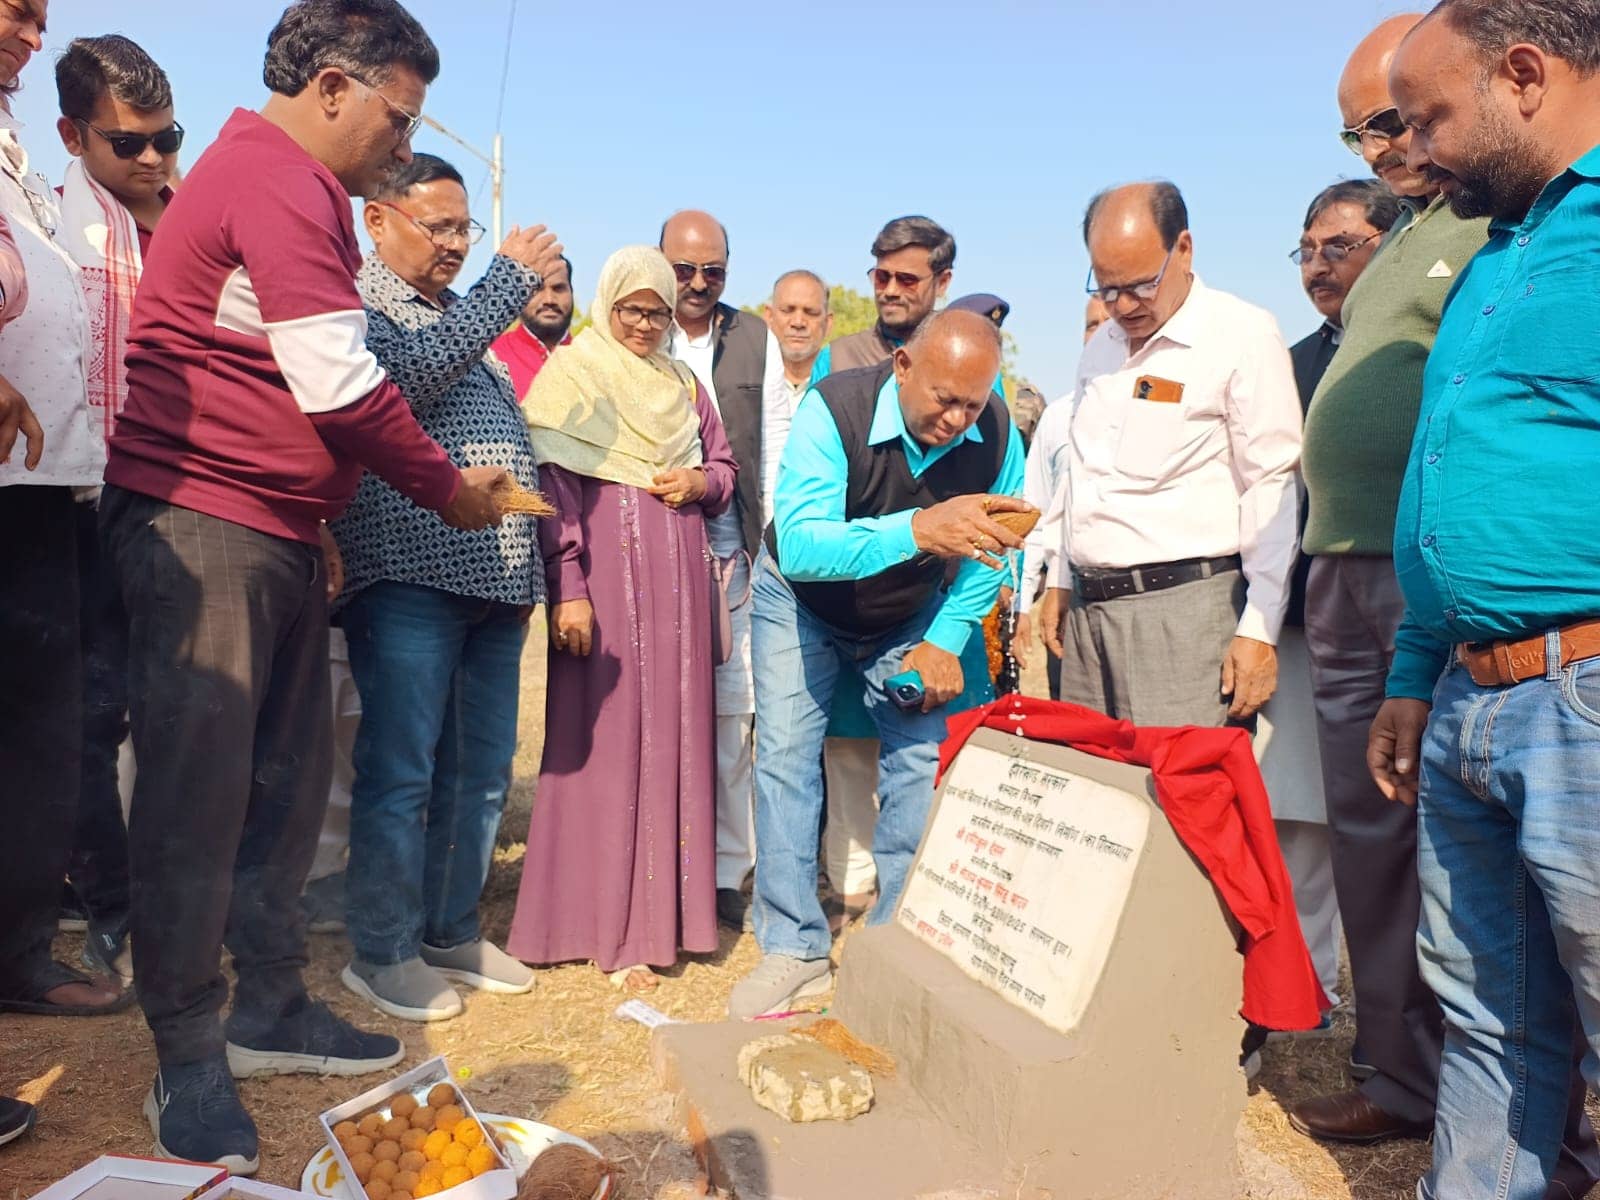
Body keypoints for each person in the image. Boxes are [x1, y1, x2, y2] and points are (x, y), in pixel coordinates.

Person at [99, 0, 512, 1173]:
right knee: (199, 795)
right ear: (334, 85)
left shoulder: (289, 186)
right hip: (202, 516)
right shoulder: (276, 178)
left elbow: (288, 383)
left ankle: (267, 1004)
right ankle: (186, 1050)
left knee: (282, 785)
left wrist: (315, 513)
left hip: (268, 524)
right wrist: (449, 490)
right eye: (399, 113)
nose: (401, 140)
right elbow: (335, 382)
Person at [1283, 20, 1595, 1174]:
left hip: (1576, 679)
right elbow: (1449, 470)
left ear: (1519, 78)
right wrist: (1418, 669)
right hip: (1459, 666)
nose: (1401, 148)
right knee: (1491, 1009)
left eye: (1418, 119)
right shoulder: (1495, 246)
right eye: (1383, 126)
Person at [731, 309, 1028, 1019]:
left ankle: (899, 944)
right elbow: (802, 546)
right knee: (785, 760)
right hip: (798, 604)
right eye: (943, 399)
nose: (959, 419)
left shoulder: (998, 437)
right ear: (903, 369)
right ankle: (794, 949)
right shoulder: (833, 409)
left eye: (973, 403)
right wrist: (921, 528)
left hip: (909, 613)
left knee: (919, 763)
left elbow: (998, 545)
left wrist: (946, 636)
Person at [332, 153, 561, 1022]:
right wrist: (506, 290)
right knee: (401, 773)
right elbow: (396, 389)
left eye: (465, 228)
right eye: (441, 226)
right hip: (410, 571)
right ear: (379, 221)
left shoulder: (461, 310)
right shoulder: (358, 301)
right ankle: (382, 950)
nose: (458, 245)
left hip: (495, 578)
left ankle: (450, 930)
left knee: (481, 773)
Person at [508, 246, 738, 993]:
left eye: (657, 312)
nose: (643, 325)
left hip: (675, 584)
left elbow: (727, 471)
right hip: (604, 585)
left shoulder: (683, 385)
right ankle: (589, 920)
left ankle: (661, 924)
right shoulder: (576, 373)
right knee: (603, 743)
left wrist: (700, 479)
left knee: (671, 737)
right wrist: (567, 583)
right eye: (631, 309)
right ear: (605, 306)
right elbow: (554, 488)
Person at [0, 0, 130, 1140]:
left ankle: (19, 960)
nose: (26, 29)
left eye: (37, 14)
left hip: (43, 492)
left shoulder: (12, 155)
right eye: (11, 8)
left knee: (38, 761)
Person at [1037, 182, 1300, 737]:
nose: (1123, 306)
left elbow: (1271, 485)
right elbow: (1077, 475)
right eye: (1106, 289)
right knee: (1093, 803)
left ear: (1184, 249)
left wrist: (1259, 626)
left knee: (1181, 805)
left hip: (1185, 617)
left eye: (1140, 285)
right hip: (1088, 617)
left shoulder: (1242, 334)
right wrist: (1060, 576)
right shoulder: (1099, 347)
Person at [1255, 179, 1400, 1031]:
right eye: (1306, 251)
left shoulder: (1420, 345)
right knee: (1302, 813)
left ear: (1392, 244)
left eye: (1337, 246)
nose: (1317, 266)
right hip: (1307, 625)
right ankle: (1310, 987)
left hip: (1415, 622)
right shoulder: (1291, 365)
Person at [52, 32, 182, 987]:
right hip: (71, 504)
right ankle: (109, 908)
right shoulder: (45, 227)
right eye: (125, 143)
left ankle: (173, 899)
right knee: (91, 716)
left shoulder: (192, 224)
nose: (150, 159)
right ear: (71, 134)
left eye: (164, 138)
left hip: (177, 508)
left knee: (175, 707)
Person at [660, 210, 784, 932]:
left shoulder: (755, 338)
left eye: (714, 271)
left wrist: (766, 549)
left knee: (733, 715)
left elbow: (768, 447)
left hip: (734, 552)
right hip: (654, 550)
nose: (699, 284)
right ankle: (662, 865)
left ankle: (726, 871)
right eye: (685, 269)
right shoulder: (635, 325)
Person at [1017, 296, 1114, 702]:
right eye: (1092, 324)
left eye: (1110, 322)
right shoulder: (1057, 418)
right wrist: (1024, 607)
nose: (1103, 332)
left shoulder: (1164, 402)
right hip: (1067, 599)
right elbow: (1035, 518)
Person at [809, 215, 953, 383]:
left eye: (907, 280)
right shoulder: (835, 359)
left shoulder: (968, 357)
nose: (890, 291)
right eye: (882, 277)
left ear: (942, 282)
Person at [762, 269, 832, 514]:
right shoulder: (746, 388)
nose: (798, 322)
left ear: (828, 322)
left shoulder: (841, 392)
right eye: (788, 310)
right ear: (768, 316)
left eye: (811, 312)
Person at [492, 252, 574, 398]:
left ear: (572, 293)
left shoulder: (596, 359)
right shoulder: (491, 357)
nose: (549, 300)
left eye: (558, 288)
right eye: (537, 289)